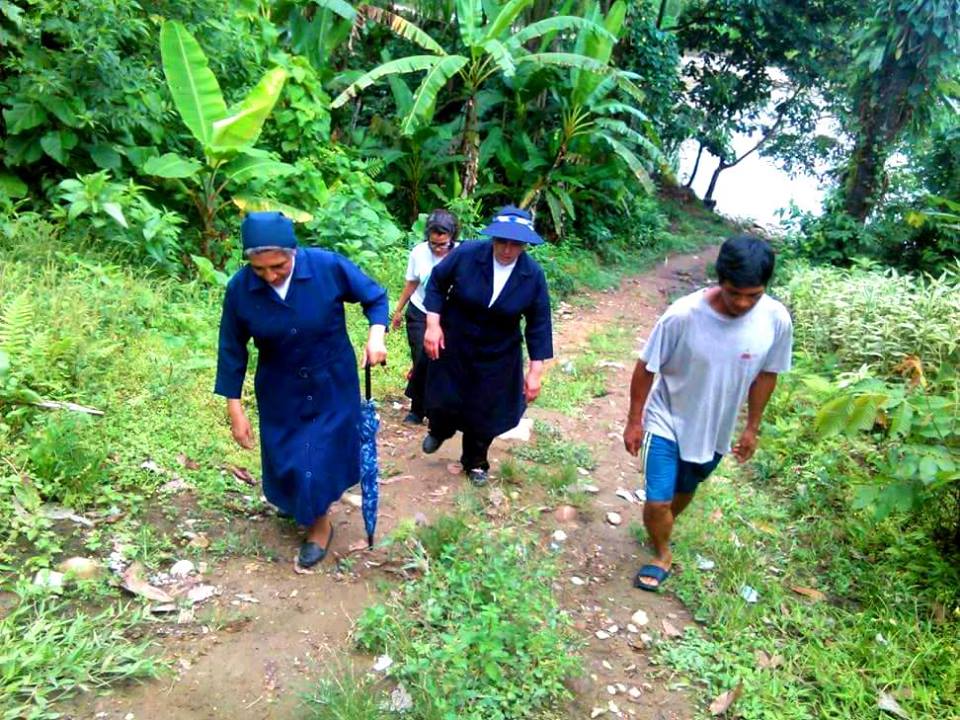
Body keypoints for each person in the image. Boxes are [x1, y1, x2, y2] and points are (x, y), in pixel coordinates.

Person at [214, 212, 388, 569]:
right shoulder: (240, 289)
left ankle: (319, 526)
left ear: (293, 251)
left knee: (317, 455)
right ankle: (306, 504)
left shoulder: (327, 266)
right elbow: (232, 349)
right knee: (290, 456)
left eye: (277, 266)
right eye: (259, 269)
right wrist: (235, 408)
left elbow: (375, 297)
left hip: (332, 382)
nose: (269, 276)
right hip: (280, 388)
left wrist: (376, 333)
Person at [622, 235, 792, 591]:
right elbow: (646, 367)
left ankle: (662, 525)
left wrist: (752, 427)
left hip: (716, 429)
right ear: (719, 280)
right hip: (665, 418)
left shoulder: (776, 320)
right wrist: (634, 420)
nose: (743, 304)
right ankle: (662, 552)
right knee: (658, 500)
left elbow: (767, 375)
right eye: (734, 293)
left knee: (685, 490)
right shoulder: (682, 316)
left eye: (754, 295)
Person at [421, 205, 553, 487]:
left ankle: (475, 461)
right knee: (444, 396)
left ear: (524, 245)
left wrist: (535, 372)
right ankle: (440, 429)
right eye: (502, 241)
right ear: (493, 238)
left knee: (486, 409)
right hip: (455, 341)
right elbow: (436, 284)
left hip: (499, 352)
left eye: (515, 244)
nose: (507, 249)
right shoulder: (467, 254)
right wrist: (433, 325)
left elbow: (539, 324)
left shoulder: (532, 275)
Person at [390, 209, 459, 425]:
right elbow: (412, 282)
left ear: (452, 239)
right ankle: (417, 409)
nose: (438, 249)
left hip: (448, 316)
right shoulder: (419, 253)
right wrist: (398, 310)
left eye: (443, 244)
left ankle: (440, 409)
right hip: (420, 311)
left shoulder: (461, 255)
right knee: (422, 356)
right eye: (433, 244)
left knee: (443, 362)